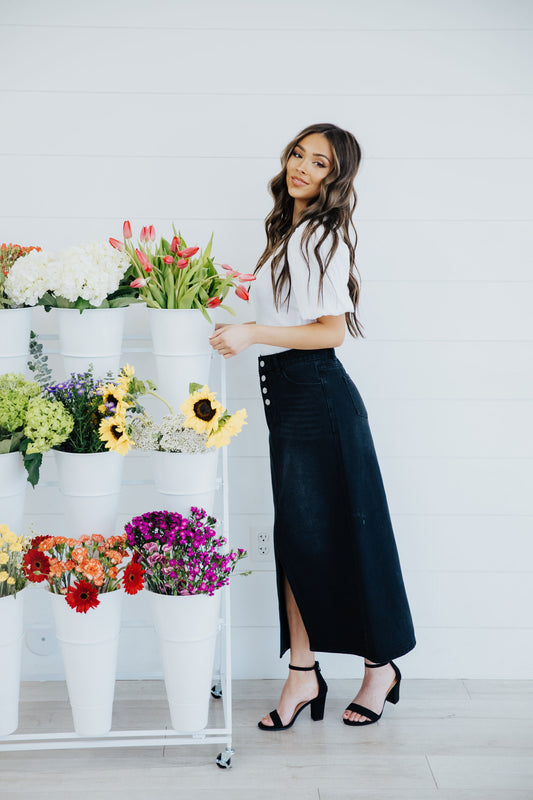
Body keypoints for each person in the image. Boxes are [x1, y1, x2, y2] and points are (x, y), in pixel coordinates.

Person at [209, 122, 416, 730]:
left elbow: (329, 331)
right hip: (291, 399)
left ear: (336, 177)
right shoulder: (287, 232)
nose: (301, 167)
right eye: (298, 154)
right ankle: (303, 671)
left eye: (319, 163)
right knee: (299, 538)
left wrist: (251, 333)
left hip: (320, 396)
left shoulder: (323, 236)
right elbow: (284, 313)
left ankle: (380, 669)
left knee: (349, 533)